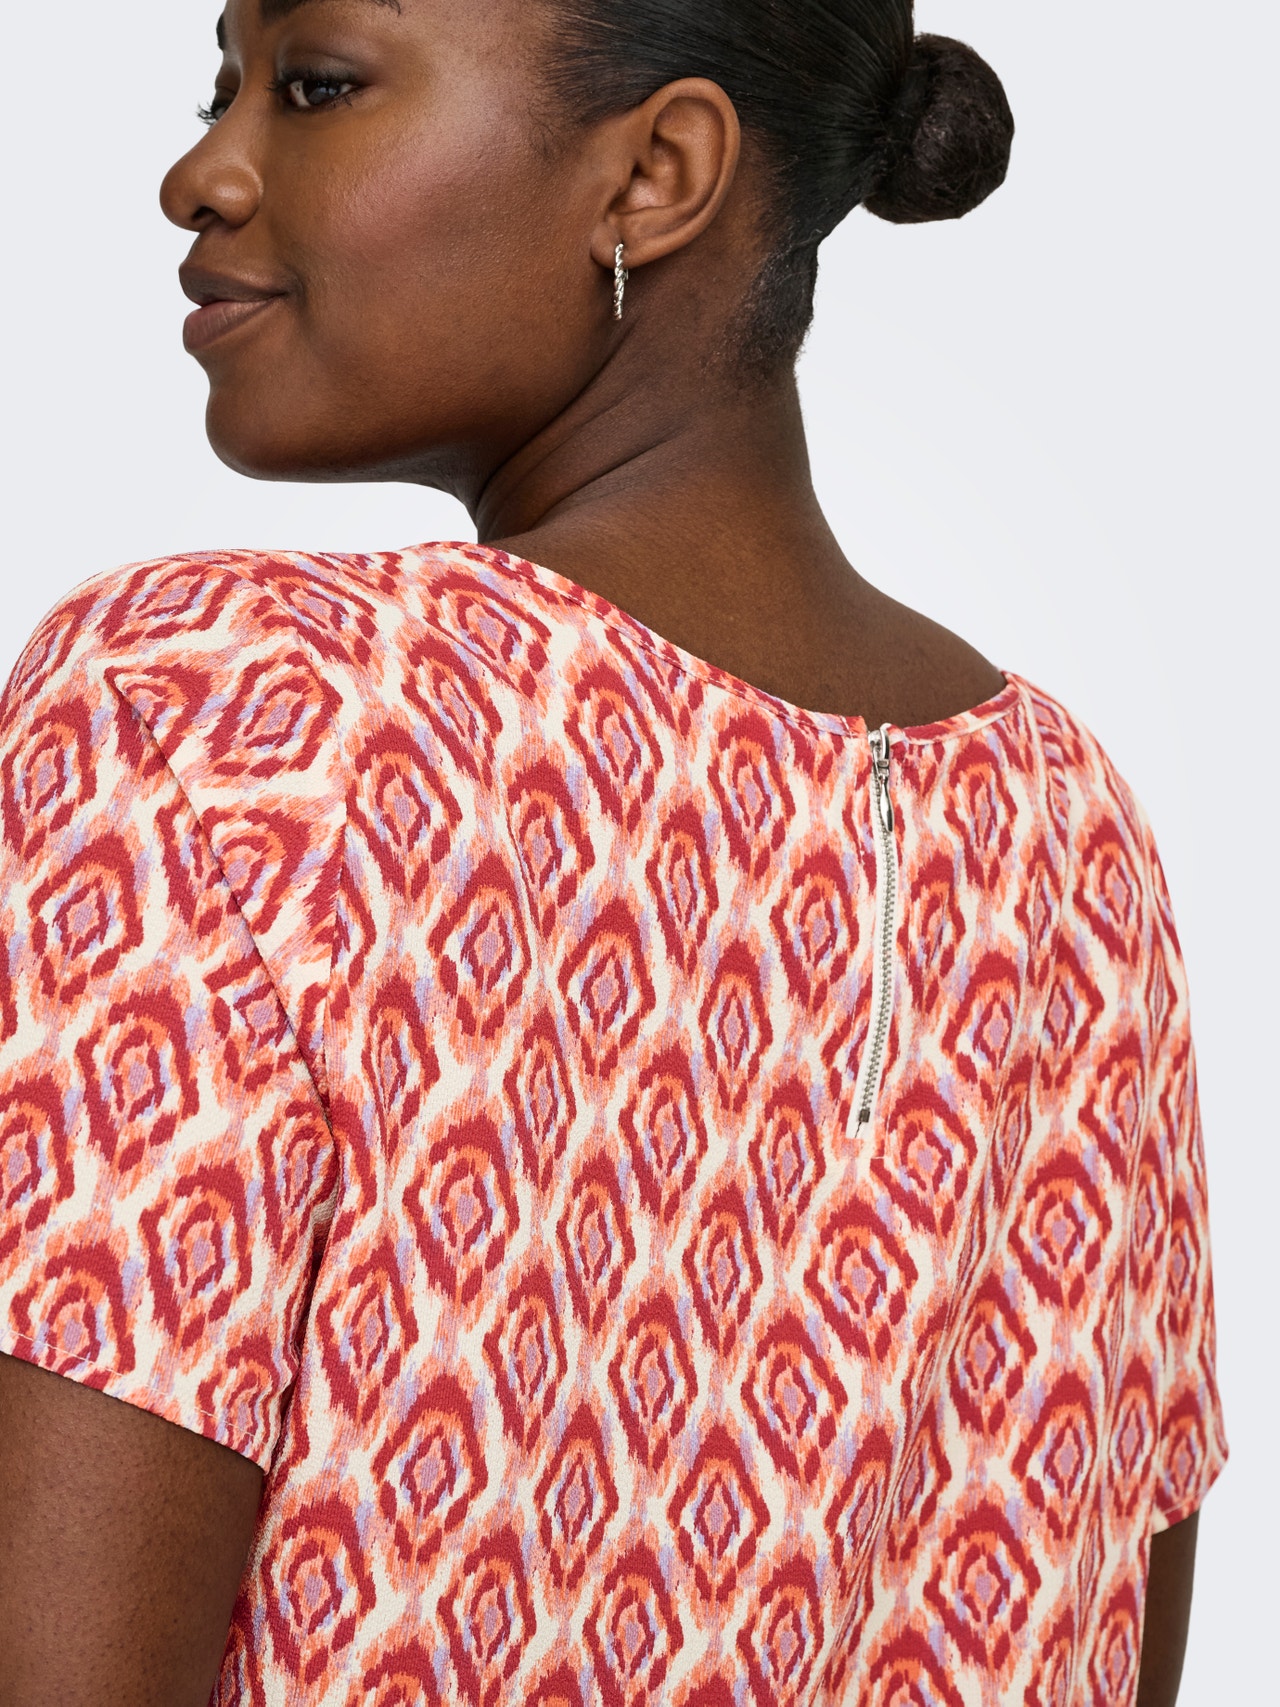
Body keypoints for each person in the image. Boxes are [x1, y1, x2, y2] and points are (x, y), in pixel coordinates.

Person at [0, 0, 1226, 1702]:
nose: (200, 173)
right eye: (222, 87)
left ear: (657, 175)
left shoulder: (224, 716)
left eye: (317, 86)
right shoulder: (1070, 840)